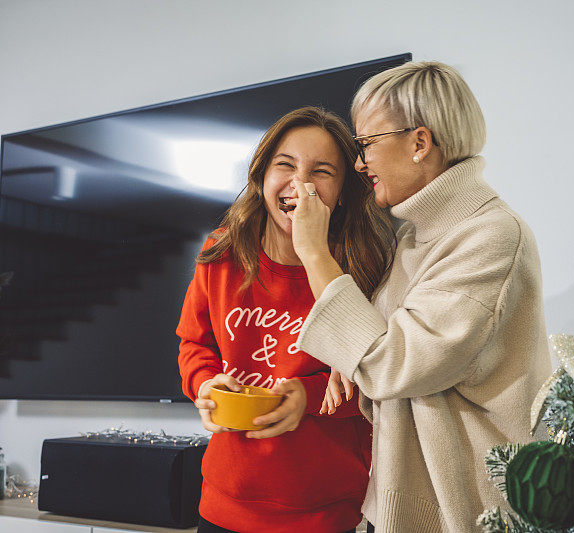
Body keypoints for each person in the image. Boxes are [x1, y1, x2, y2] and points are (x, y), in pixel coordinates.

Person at [288, 61, 554, 532]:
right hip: (402, 503)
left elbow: (394, 363)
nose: (359, 163)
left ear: (419, 142)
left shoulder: (490, 235)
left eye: (366, 143)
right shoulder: (413, 235)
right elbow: (386, 348)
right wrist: (347, 360)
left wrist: (313, 251)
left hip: (466, 511)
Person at [176, 107, 393, 533]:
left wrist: (307, 396)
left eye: (322, 170)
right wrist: (205, 383)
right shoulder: (221, 253)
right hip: (224, 501)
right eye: (285, 165)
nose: (301, 183)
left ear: (344, 191)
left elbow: (379, 375)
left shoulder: (363, 266)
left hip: (323, 511)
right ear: (261, 177)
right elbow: (193, 345)